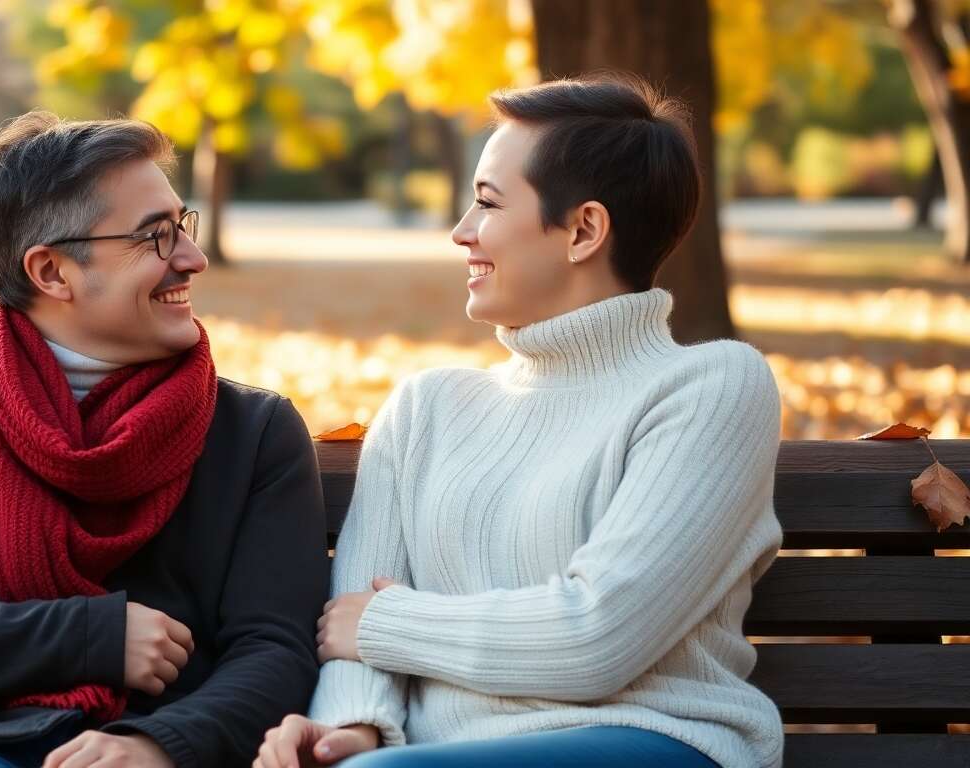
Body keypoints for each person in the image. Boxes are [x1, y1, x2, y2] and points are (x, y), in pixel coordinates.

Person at [255, 74, 785, 768]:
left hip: (652, 744)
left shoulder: (709, 390)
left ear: (583, 230)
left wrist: (390, 622)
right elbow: (352, 631)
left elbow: (597, 637)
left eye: (486, 203)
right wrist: (352, 730)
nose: (461, 232)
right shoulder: (426, 409)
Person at [0, 112, 330, 768]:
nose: (192, 258)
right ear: (53, 273)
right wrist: (94, 636)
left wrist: (158, 745)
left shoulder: (254, 433)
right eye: (156, 237)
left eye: (184, 225)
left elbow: (275, 653)